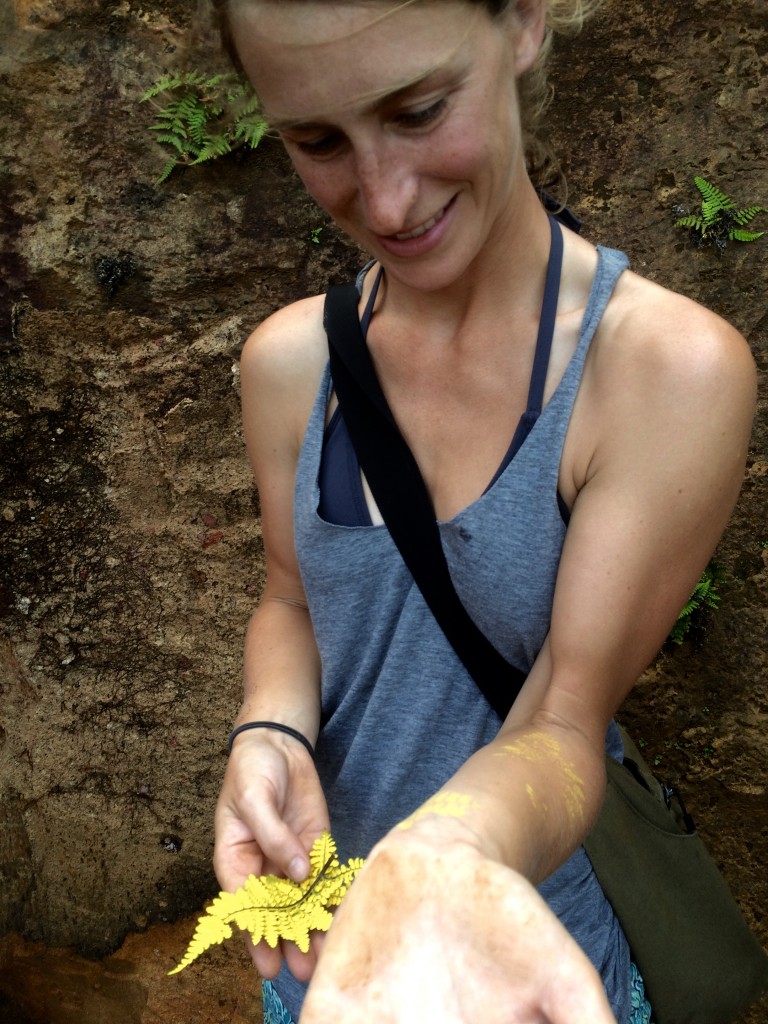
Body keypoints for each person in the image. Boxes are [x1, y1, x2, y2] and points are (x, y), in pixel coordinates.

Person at [210, 2, 756, 1021]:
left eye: (418, 110)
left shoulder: (661, 376)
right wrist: (271, 728)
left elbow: (563, 719)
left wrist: (439, 856)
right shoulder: (290, 364)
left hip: (524, 965)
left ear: (524, 25)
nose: (385, 197)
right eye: (318, 141)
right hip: (318, 956)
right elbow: (291, 601)